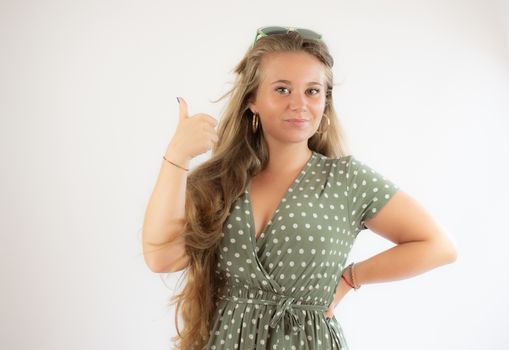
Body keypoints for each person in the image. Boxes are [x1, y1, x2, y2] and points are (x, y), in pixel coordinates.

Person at [141, 26, 458, 350]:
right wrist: (177, 155)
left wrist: (352, 278)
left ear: (325, 102)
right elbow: (161, 257)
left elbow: (438, 245)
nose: (299, 104)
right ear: (252, 99)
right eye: (282, 89)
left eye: (312, 91)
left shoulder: (346, 181)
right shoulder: (218, 182)